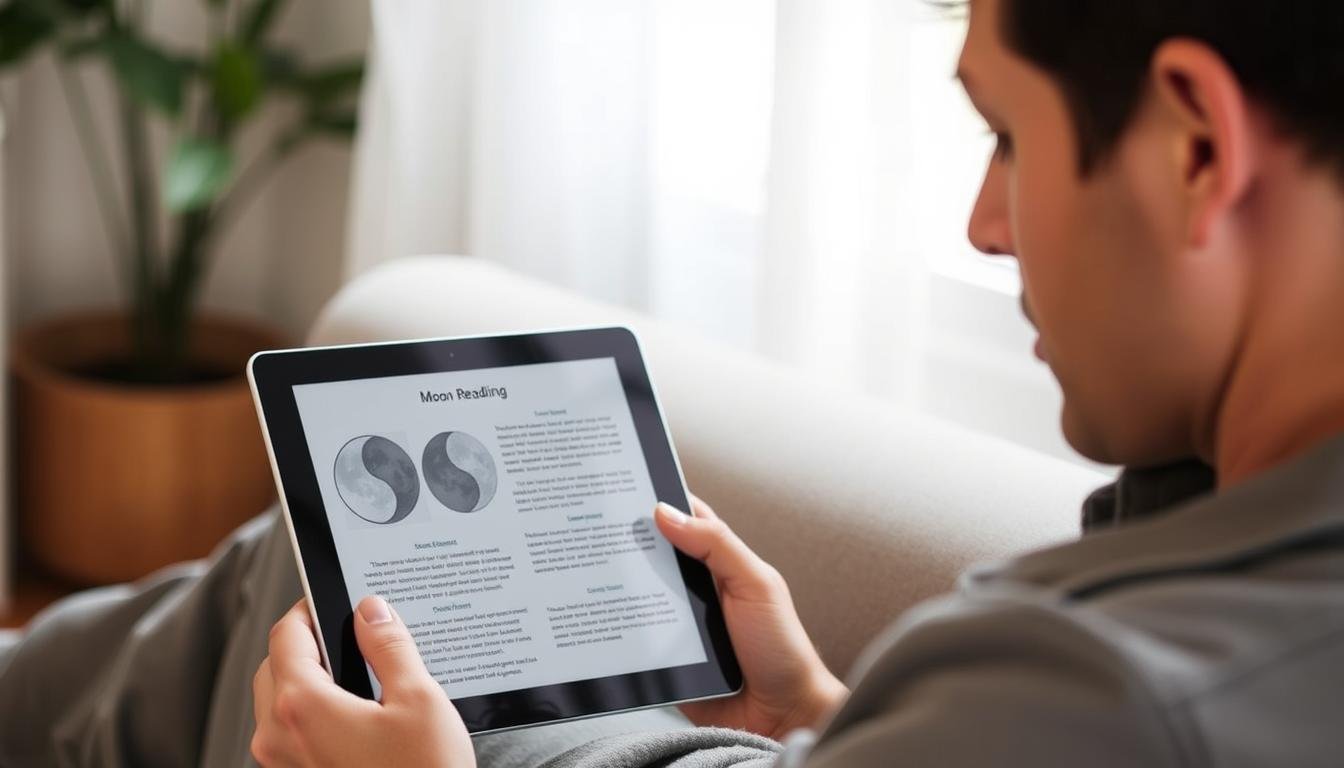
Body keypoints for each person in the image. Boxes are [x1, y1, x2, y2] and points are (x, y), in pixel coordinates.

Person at [4, 0, 1343, 764]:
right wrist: (826, 716)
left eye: (1007, 136)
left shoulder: (1092, 693)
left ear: (1196, 148)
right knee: (322, 577)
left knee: (318, 599)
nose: (987, 224)